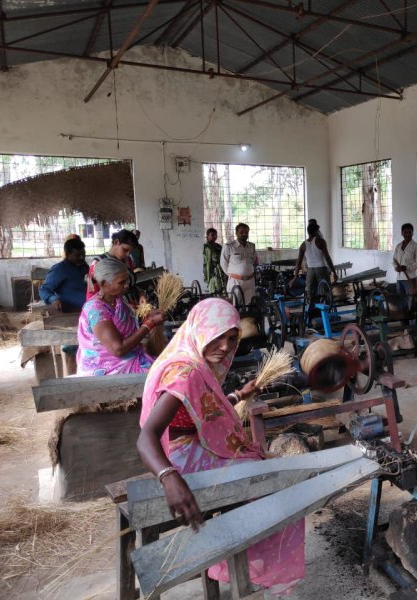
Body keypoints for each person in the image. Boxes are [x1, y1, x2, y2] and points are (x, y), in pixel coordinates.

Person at [137, 298, 304, 594]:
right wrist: (169, 478)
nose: (225, 347)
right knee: (280, 486)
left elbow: (201, 411)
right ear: (199, 330)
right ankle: (242, 563)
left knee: (270, 471)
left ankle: (241, 557)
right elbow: (146, 437)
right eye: (217, 336)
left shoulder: (190, 360)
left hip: (187, 449)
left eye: (232, 338)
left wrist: (239, 395)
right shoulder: (185, 372)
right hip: (180, 460)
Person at [77, 258, 164, 376]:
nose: (127, 285)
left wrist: (147, 317)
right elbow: (118, 350)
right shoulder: (96, 311)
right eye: (121, 282)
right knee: (165, 374)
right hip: (107, 368)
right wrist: (149, 324)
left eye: (126, 281)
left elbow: (127, 327)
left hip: (130, 357)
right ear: (103, 284)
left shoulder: (117, 300)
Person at [39, 238, 89, 313]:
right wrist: (53, 299)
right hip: (71, 312)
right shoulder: (59, 269)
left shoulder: (84, 267)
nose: (82, 257)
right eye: (77, 255)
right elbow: (44, 290)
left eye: (83, 254)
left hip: (88, 310)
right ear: (68, 254)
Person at [86, 229, 138, 301]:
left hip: (132, 304)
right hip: (111, 306)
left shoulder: (128, 261)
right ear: (116, 242)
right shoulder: (98, 263)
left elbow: (132, 284)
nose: (128, 254)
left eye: (130, 252)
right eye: (125, 250)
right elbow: (92, 294)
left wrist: (140, 293)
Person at [291, 222, 337, 303]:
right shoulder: (321, 241)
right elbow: (327, 258)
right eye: (318, 231)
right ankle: (325, 308)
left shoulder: (303, 245)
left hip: (310, 271)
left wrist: (295, 278)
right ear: (316, 231)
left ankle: (312, 308)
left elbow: (298, 262)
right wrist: (334, 272)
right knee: (325, 291)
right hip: (321, 269)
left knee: (310, 292)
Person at [221, 223, 258, 304]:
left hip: (250, 281)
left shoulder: (252, 246)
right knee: (235, 305)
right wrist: (233, 275)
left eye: (246, 232)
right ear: (236, 233)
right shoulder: (229, 246)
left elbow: (254, 261)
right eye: (241, 232)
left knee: (250, 305)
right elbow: (223, 264)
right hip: (235, 281)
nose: (244, 234)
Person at [392, 223, 417, 295]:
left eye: (409, 232)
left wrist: (406, 267)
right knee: (400, 299)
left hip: (411, 278)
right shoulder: (398, 246)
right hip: (399, 278)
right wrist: (396, 268)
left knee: (410, 299)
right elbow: (394, 260)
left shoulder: (416, 246)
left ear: (412, 233)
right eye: (405, 232)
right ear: (402, 233)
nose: (407, 234)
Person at [203, 228, 226, 294]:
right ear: (207, 236)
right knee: (213, 284)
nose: (215, 237)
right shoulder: (205, 247)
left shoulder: (218, 246)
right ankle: (213, 296)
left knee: (221, 284)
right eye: (212, 235)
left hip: (219, 269)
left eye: (216, 235)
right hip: (210, 270)